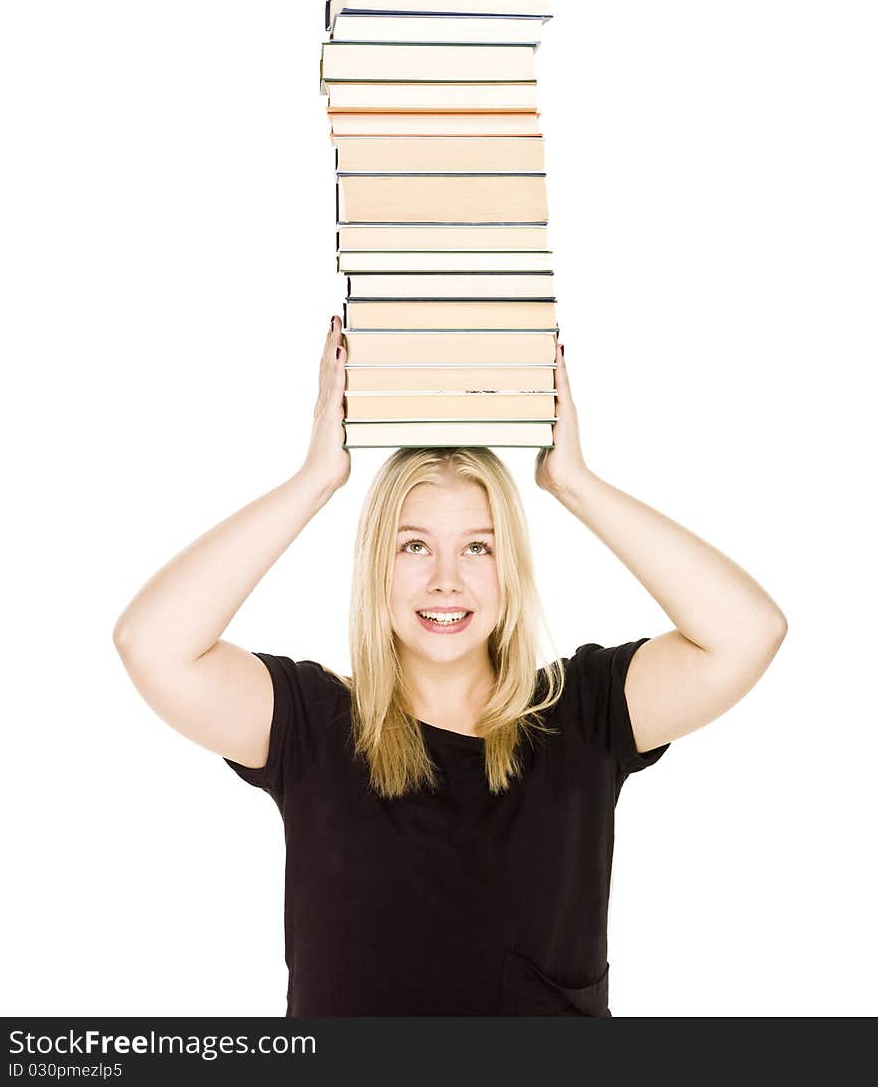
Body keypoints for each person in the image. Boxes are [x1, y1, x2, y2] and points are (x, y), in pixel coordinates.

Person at [113, 315, 787, 1017]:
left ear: (511, 568)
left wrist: (575, 482)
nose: (445, 580)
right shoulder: (313, 724)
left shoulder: (581, 713)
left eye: (478, 547)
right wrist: (317, 478)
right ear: (378, 567)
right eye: (412, 546)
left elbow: (748, 632)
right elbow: (152, 644)